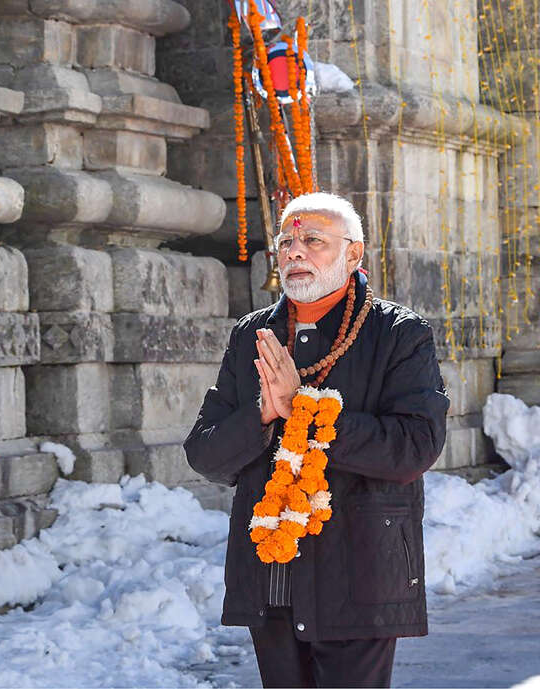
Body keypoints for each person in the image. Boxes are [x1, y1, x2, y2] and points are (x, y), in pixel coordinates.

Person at [183, 192, 450, 688]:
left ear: (353, 253)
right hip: (271, 575)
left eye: (313, 240)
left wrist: (304, 408)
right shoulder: (253, 335)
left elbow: (415, 447)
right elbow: (204, 452)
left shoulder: (398, 333)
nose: (295, 252)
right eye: (286, 243)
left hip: (360, 572)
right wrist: (264, 412)